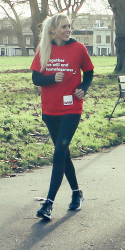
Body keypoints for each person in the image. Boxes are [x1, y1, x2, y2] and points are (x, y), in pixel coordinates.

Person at [30, 13, 93, 220]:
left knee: (59, 152)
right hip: (50, 110)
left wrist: (83, 87)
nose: (68, 30)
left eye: (69, 26)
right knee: (63, 154)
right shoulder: (44, 50)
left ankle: (49, 203)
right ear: (53, 30)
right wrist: (51, 78)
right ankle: (77, 193)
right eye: (64, 27)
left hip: (72, 108)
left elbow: (89, 72)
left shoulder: (79, 49)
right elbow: (36, 78)